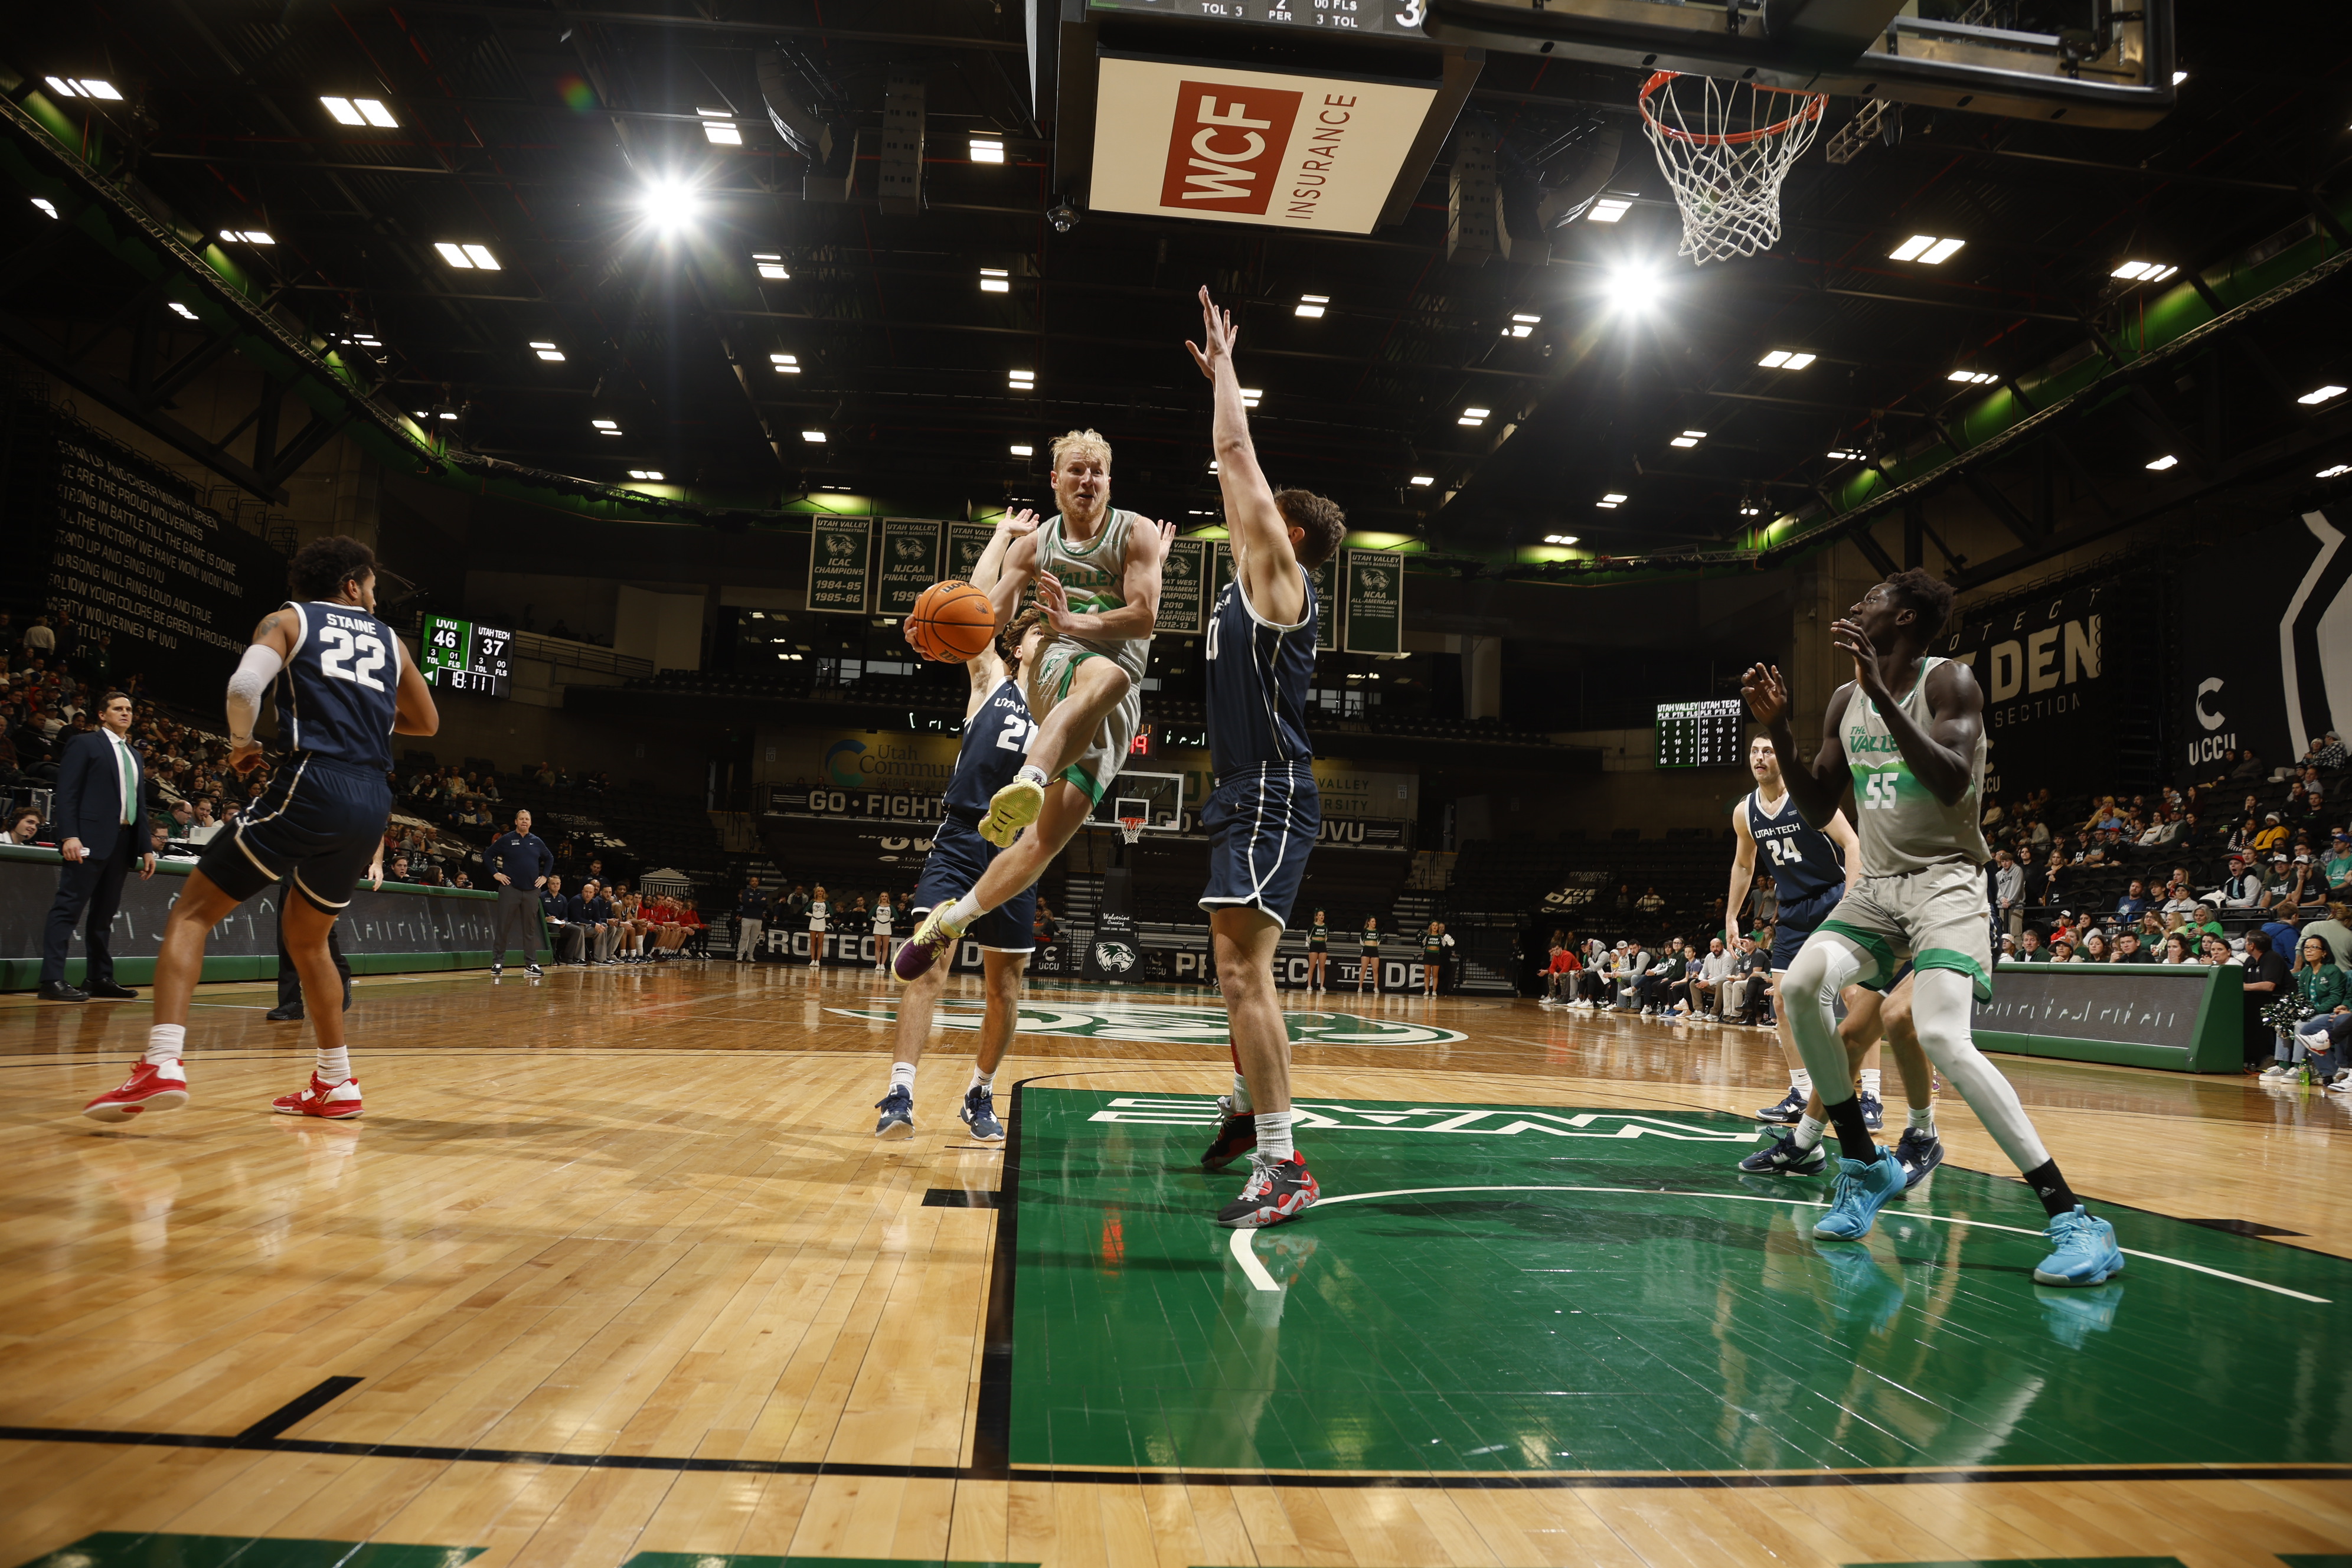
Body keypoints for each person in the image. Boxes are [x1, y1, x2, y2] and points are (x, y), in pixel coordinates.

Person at [1742, 567, 2122, 1286]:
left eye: (1874, 598)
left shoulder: (1951, 683)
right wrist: (1781, 728)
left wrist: (1883, 694)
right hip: (1880, 887)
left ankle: (2076, 1220)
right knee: (1800, 987)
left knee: (1944, 1035)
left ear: (1909, 618)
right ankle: (1864, 1162)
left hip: (1946, 881)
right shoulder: (1844, 700)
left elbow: (1951, 780)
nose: (1857, 604)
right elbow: (1820, 799)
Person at [81, 536, 437, 1123]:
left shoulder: (288, 619)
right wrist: (364, 703)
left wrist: (242, 744)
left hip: (313, 784)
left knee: (192, 913)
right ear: (351, 584)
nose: (375, 596)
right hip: (373, 800)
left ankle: (162, 1062)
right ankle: (336, 1081)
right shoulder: (390, 642)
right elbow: (426, 721)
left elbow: (245, 688)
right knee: (307, 937)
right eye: (372, 585)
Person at [1172, 286, 1347, 1230]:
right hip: (1245, 792)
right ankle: (1250, 1113)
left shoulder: (1281, 581)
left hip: (1274, 792)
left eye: (1265, 516)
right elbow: (1231, 469)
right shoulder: (1252, 580)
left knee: (1245, 975)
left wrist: (1228, 365)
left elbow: (1235, 453)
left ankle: (1285, 1164)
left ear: (1296, 538)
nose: (1244, 516)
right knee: (1235, 970)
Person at [890, 426, 1177, 981]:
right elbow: (988, 618)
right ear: (1055, 481)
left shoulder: (1135, 533)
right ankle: (1031, 778)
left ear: (1109, 481)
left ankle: (950, 923)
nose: (1087, 479)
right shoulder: (1036, 545)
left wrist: (1080, 618)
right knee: (1106, 676)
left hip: (1115, 690)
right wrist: (936, 632)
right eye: (1076, 469)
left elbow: (1143, 616)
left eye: (1096, 471)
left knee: (1043, 842)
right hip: (1058, 656)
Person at [873, 524, 1053, 1142]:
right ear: (1019, 644)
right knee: (930, 962)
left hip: (1019, 852)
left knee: (1005, 986)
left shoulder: (1064, 715)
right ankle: (900, 1090)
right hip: (961, 837)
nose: (1047, 642)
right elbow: (973, 602)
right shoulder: (991, 683)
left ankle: (980, 1094)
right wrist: (1004, 537)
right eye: (1039, 633)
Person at [1726, 731, 1884, 1126]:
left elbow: (1853, 844)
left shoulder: (1810, 798)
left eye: (1768, 750)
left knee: (1855, 997)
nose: (1759, 757)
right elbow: (1745, 865)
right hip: (1794, 909)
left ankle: (1873, 1099)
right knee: (1782, 1002)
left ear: (1784, 758)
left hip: (1834, 898)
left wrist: (1851, 901)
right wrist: (1731, 915)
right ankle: (1800, 1093)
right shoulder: (1745, 812)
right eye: (1754, 751)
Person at [35, 690, 157, 1002]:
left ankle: (99, 977)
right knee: (68, 908)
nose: (125, 713)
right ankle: (52, 979)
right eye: (118, 708)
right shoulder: (85, 743)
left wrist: (146, 848)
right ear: (102, 715)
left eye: (129, 709)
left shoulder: (135, 754)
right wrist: (69, 835)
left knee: (104, 915)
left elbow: (139, 806)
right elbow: (67, 793)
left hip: (123, 842)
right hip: (87, 840)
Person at [2266, 934, 2348, 1079]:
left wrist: (2313, 1011)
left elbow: (2336, 998)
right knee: (2282, 1021)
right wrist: (2297, 1010)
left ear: (2324, 953)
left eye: (2314, 947)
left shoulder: (2332, 971)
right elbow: (2302, 996)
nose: (2309, 951)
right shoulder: (2306, 971)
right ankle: (2283, 1064)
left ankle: (2299, 1067)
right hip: (2309, 1013)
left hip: (2326, 1013)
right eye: (2306, 948)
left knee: (2300, 1024)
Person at [486, 808, 551, 979]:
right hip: (511, 889)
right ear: (516, 822)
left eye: (527, 819)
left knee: (530, 929)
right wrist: (496, 874)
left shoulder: (536, 841)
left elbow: (550, 858)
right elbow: (487, 855)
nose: (524, 821)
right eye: (521, 819)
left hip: (531, 891)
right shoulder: (507, 839)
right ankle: (498, 962)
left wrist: (545, 877)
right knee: (503, 926)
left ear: (530, 823)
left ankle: (531, 964)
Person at [736, 875, 766, 963]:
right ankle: (740, 955)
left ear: (758, 882)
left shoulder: (762, 892)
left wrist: (752, 900)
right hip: (747, 918)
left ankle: (750, 956)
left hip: (758, 918)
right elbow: (746, 903)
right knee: (744, 937)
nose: (754, 882)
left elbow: (764, 903)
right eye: (753, 881)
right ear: (750, 883)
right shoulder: (746, 892)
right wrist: (758, 902)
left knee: (753, 939)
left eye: (756, 881)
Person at [1420, 920, 1453, 995]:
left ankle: (1434, 991)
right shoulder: (1428, 937)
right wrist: (1419, 939)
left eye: (1436, 926)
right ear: (1431, 927)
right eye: (1433, 925)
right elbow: (1422, 945)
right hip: (1428, 956)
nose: (1435, 927)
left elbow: (1445, 946)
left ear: (1438, 928)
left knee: (1435, 975)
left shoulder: (1440, 937)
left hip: (1436, 956)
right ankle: (1427, 990)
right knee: (1427, 974)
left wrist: (1449, 942)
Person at [1304, 909, 1329, 992]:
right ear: (1317, 917)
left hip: (1322, 946)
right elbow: (1308, 938)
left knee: (1322, 967)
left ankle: (1322, 986)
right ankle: (1309, 985)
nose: (1322, 917)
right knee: (1312, 967)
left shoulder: (1325, 927)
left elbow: (1326, 938)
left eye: (1323, 915)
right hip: (1314, 945)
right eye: (1320, 915)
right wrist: (1310, 945)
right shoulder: (1313, 926)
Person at [871, 890, 895, 973]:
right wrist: (877, 920)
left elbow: (897, 917)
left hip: (887, 927)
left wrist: (889, 920)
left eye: (886, 896)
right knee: (877, 947)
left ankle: (883, 964)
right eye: (882, 896)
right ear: (880, 898)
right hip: (878, 927)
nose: (884, 898)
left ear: (888, 898)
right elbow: (869, 916)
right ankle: (878, 964)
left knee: (885, 948)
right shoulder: (876, 906)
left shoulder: (891, 907)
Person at [1356, 916, 1381, 995]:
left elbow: (1378, 942)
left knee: (1375, 970)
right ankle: (1360, 987)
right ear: (1369, 923)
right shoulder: (1365, 931)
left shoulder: (1378, 932)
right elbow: (1361, 942)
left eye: (1375, 922)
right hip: (1366, 950)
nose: (1374, 923)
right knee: (1363, 969)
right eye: (1373, 922)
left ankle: (1376, 987)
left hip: (1374, 951)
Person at [806, 883, 828, 969]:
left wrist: (823, 917)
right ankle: (812, 960)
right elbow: (805, 911)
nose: (820, 893)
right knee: (812, 943)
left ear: (824, 893)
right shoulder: (813, 902)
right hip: (813, 922)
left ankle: (818, 960)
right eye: (818, 891)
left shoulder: (826, 903)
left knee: (820, 943)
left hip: (822, 923)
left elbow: (831, 913)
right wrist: (812, 915)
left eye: (822, 891)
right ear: (816, 892)